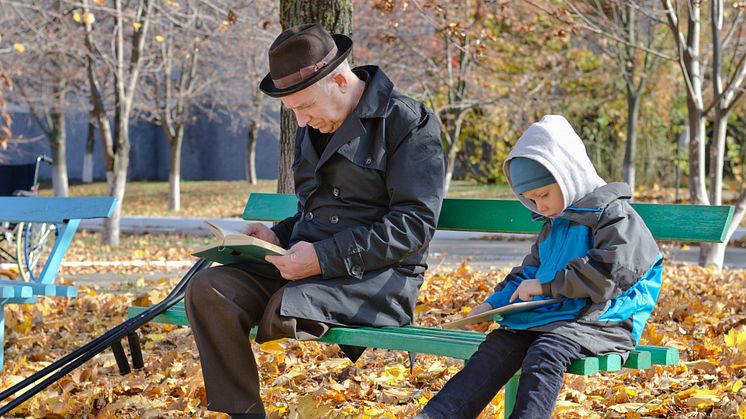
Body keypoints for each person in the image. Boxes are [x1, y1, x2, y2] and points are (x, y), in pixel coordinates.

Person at [184, 23, 446, 419]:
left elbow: (414, 226)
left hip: (375, 277)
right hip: (305, 264)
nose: (302, 122)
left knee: (286, 305)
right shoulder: (317, 124)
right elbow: (313, 213)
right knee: (207, 289)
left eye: (305, 108)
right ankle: (243, 413)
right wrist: (275, 234)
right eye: (293, 112)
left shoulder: (407, 122)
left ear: (340, 80)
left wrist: (322, 259)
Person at [415, 115, 663, 419]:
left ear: (568, 176)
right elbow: (529, 273)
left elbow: (613, 272)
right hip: (558, 318)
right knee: (498, 346)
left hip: (605, 320)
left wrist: (548, 286)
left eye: (544, 195)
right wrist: (491, 305)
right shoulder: (555, 223)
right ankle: (437, 415)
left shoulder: (615, 216)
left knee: (545, 354)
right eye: (531, 200)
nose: (540, 207)